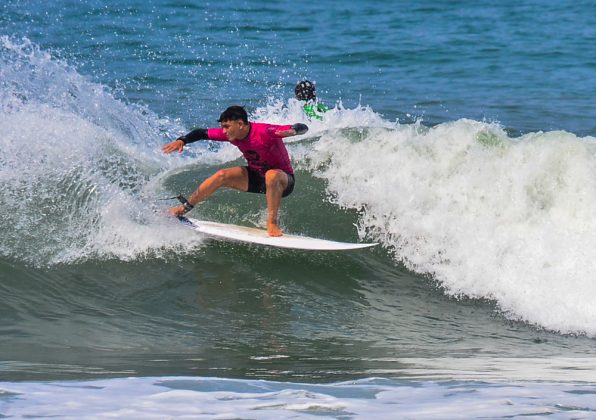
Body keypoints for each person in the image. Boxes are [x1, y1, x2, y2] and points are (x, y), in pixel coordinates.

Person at [162, 105, 308, 237]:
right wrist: (182, 140)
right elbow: (201, 133)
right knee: (222, 175)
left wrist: (294, 130)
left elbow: (302, 127)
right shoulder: (232, 134)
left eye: (226, 127)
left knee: (271, 175)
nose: (223, 131)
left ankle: (272, 223)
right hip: (257, 177)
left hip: (283, 182)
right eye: (222, 127)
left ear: (240, 124)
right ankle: (182, 209)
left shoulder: (265, 132)